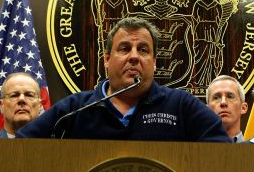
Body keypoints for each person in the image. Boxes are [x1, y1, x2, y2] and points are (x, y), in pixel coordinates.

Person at [18, 16, 229, 141]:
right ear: (107, 60)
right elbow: (20, 148)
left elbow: (223, 155)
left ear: (154, 62)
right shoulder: (74, 110)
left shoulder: (182, 106)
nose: (134, 57)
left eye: (143, 50)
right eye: (125, 48)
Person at [0, 72, 43, 138]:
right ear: (1, 106)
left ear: (40, 105)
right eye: (14, 95)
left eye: (29, 95)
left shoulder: (55, 146)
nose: (21, 99)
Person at [206, 75, 248, 142]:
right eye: (216, 98)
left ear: (243, 108)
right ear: (207, 110)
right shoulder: (193, 151)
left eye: (230, 97)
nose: (223, 102)